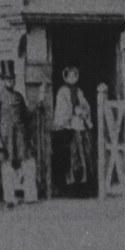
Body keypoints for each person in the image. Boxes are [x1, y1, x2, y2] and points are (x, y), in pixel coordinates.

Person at [0, 60, 32, 206]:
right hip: (5, 136)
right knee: (7, 165)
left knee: (21, 165)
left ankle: (22, 195)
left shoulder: (19, 97)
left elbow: (26, 117)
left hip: (19, 135)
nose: (10, 81)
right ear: (3, 80)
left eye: (12, 79)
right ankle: (8, 197)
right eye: (7, 79)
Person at [51, 66, 94, 197]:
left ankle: (84, 184)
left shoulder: (79, 91)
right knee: (71, 155)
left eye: (75, 76)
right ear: (66, 77)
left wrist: (84, 111)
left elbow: (86, 105)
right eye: (70, 76)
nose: (73, 78)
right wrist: (73, 112)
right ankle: (70, 185)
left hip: (80, 126)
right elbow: (61, 109)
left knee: (84, 153)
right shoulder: (62, 92)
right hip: (68, 128)